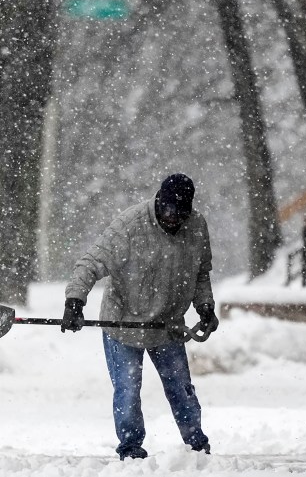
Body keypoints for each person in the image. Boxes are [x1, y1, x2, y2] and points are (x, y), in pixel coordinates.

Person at [62, 173, 219, 460]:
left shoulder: (196, 227)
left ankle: (196, 444)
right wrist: (75, 300)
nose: (172, 218)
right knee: (128, 389)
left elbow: (200, 273)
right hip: (124, 322)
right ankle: (131, 448)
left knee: (181, 389)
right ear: (159, 202)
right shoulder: (129, 227)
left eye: (180, 214)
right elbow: (90, 264)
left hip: (167, 324)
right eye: (168, 210)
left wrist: (205, 306)